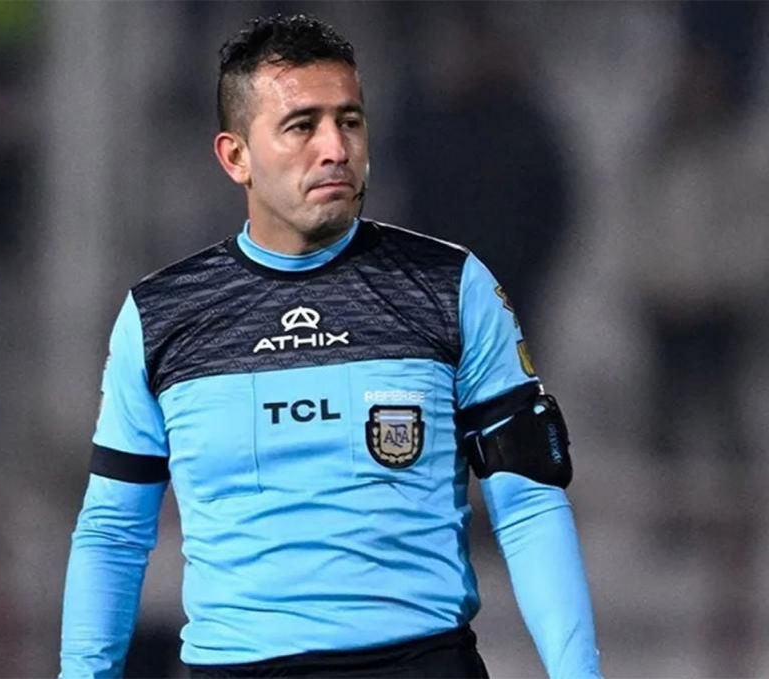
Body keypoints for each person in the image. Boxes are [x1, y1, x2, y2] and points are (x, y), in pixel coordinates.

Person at [59, 14, 601, 679]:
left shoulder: (452, 288)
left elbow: (529, 502)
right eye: (301, 126)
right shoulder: (162, 315)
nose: (335, 148)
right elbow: (113, 530)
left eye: (349, 121)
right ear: (235, 156)